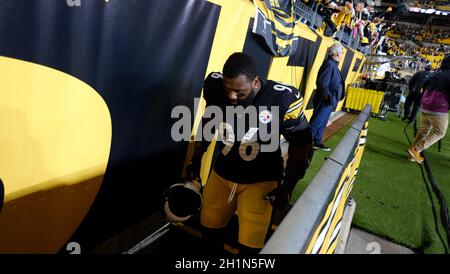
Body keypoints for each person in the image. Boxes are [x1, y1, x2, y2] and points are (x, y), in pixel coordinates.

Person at [185, 52, 313, 254]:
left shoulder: (281, 98)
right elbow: (209, 123)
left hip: (261, 181)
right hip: (222, 173)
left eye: (239, 91)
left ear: (255, 83)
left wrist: (288, 186)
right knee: (208, 233)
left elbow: (302, 142)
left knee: (250, 246)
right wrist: (196, 160)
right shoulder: (215, 86)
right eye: (228, 89)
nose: (231, 96)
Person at [408, 54, 450, 164]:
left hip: (425, 105)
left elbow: (424, 85)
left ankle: (412, 153)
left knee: (424, 129)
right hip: (439, 107)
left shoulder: (435, 73)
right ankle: (416, 149)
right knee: (440, 131)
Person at [309, 43, 345, 151]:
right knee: (317, 121)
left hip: (329, 100)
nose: (342, 54)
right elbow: (322, 83)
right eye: (342, 52)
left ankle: (317, 141)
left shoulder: (332, 64)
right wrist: (328, 97)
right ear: (338, 53)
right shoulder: (329, 64)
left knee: (322, 122)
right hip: (325, 100)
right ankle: (303, 142)